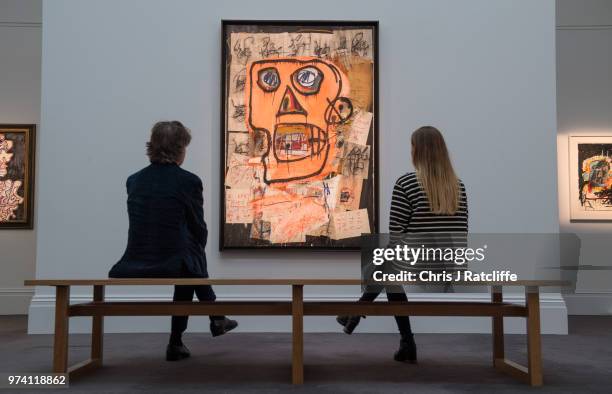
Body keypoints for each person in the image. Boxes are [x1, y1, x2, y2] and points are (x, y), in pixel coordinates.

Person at [337, 126, 469, 363]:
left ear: (417, 151)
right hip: (447, 263)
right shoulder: (457, 186)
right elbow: (461, 233)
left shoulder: (407, 184)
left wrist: (376, 264)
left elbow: (396, 237)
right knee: (389, 272)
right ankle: (401, 340)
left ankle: (360, 312)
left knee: (386, 268)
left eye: (412, 146)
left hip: (416, 264)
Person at [109, 121, 237, 361]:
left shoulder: (133, 180)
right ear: (180, 149)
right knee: (190, 255)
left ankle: (180, 341)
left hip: (136, 259)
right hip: (172, 261)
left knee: (187, 258)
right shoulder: (188, 181)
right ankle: (214, 316)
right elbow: (198, 227)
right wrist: (198, 247)